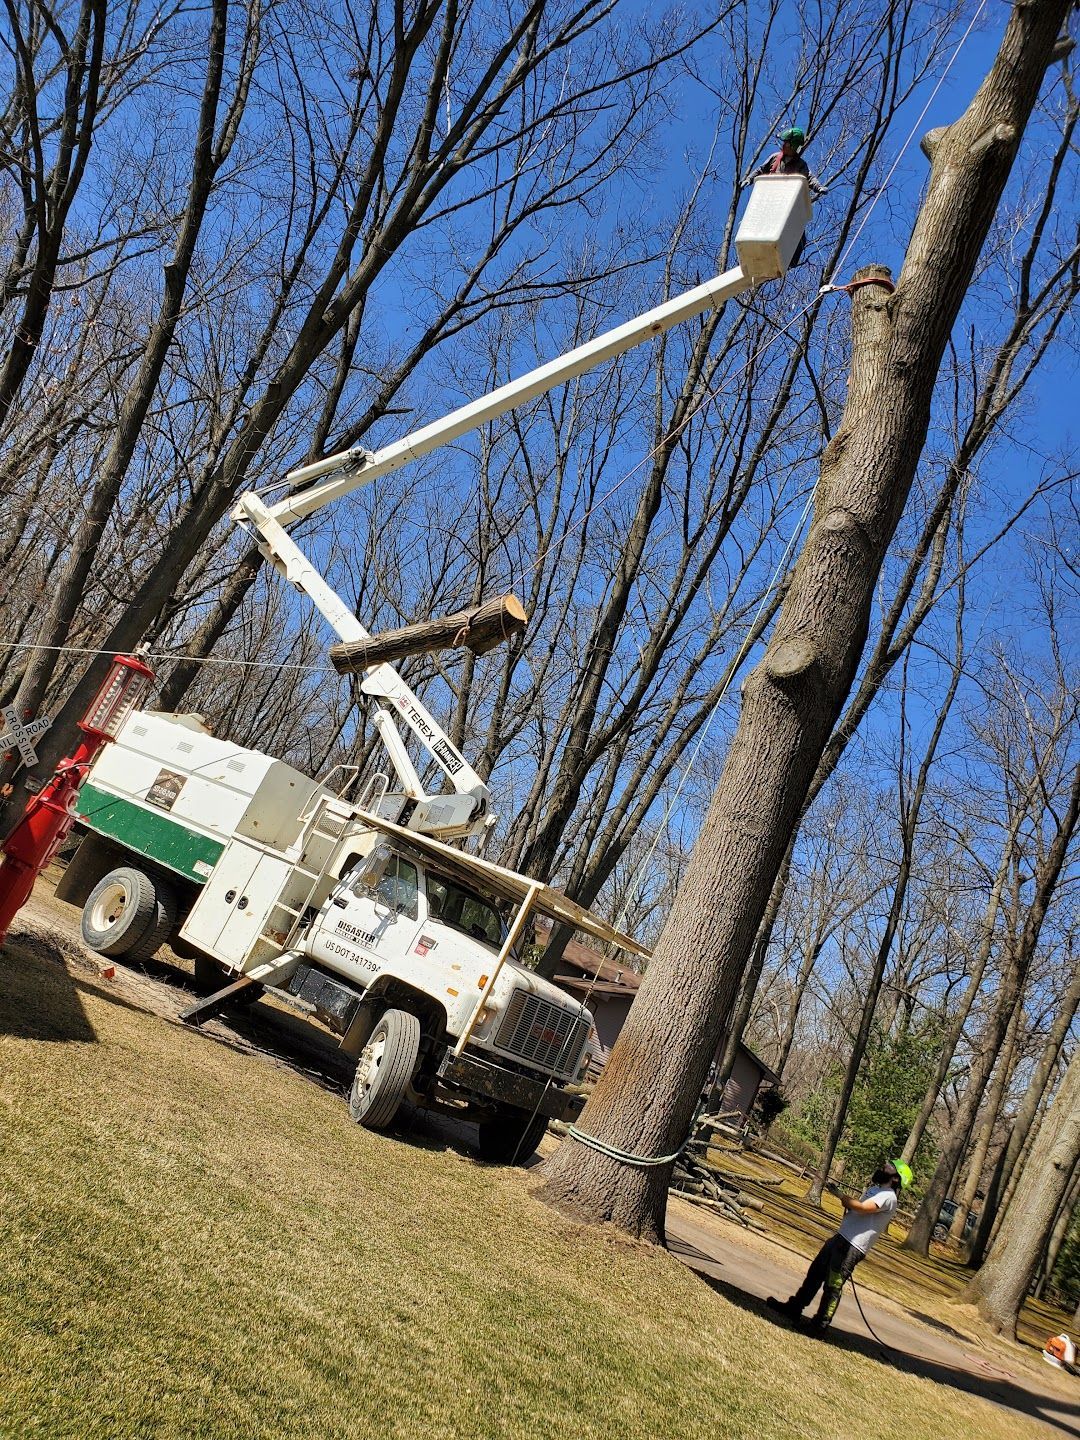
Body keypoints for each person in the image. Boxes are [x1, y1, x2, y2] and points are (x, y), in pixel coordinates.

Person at [766, 1159, 912, 1331]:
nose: (885, 1166)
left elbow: (863, 1208)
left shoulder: (888, 1197)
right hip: (841, 1237)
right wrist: (842, 1197)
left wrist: (841, 1196)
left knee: (832, 1286)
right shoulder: (876, 1190)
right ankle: (794, 1308)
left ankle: (819, 1325)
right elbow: (855, 1209)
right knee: (815, 1272)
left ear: (896, 1178)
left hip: (853, 1246)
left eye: (890, 1167)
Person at [741, 126, 828, 268]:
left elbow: (809, 178)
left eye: (786, 143)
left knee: (799, 236)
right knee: (757, 227)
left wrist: (819, 187)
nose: (783, 145)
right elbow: (760, 170)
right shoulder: (775, 158)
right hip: (769, 200)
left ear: (793, 146)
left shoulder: (800, 165)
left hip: (786, 203)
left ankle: (789, 261)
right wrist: (749, 179)